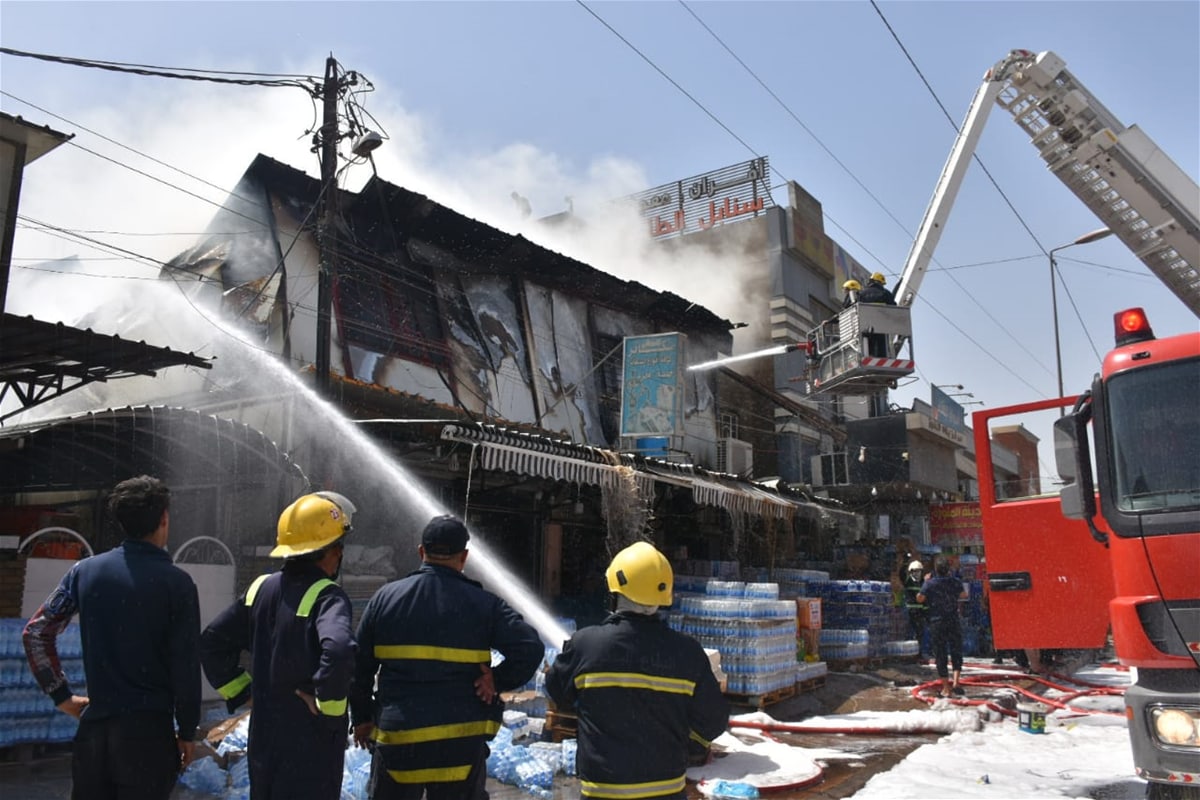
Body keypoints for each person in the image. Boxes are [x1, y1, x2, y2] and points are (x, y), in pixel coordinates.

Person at [23, 475, 201, 800]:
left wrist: (62, 697)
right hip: (149, 737)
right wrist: (188, 731)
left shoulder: (85, 572)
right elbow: (186, 667)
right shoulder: (178, 585)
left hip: (94, 735)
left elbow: (36, 632)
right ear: (164, 519)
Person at [349, 514, 543, 799]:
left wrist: (362, 718)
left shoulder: (384, 599)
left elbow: (360, 668)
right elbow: (531, 647)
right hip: (460, 746)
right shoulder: (485, 605)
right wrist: (497, 679)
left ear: (420, 552)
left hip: (399, 742)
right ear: (464, 557)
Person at [200, 491, 358, 800]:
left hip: (266, 739)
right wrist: (328, 711)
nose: (340, 554)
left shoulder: (261, 588)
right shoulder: (328, 596)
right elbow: (339, 651)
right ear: (328, 551)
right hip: (310, 745)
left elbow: (211, 643)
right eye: (338, 547)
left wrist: (244, 693)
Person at [545, 541, 729, 800]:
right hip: (667, 791)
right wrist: (689, 745)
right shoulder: (688, 653)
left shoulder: (586, 645)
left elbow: (556, 692)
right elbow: (714, 719)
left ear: (615, 590)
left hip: (602, 792)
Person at [917, 558, 969, 697]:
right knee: (956, 650)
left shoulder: (930, 583)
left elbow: (920, 598)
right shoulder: (954, 581)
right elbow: (964, 595)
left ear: (935, 569)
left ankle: (946, 688)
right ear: (948, 569)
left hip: (937, 621)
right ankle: (957, 682)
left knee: (940, 653)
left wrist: (926, 582)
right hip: (953, 619)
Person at [902, 559, 929, 658]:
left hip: (919, 612)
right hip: (910, 611)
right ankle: (907, 654)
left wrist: (926, 611)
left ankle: (918, 653)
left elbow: (924, 598)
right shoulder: (908, 581)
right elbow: (902, 573)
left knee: (920, 633)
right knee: (909, 632)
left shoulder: (922, 582)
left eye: (919, 571)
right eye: (915, 571)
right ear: (911, 572)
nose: (917, 573)